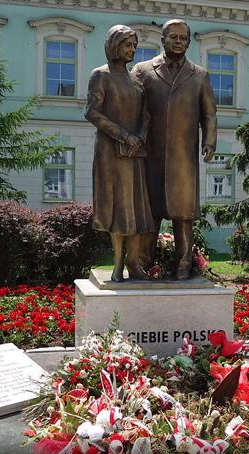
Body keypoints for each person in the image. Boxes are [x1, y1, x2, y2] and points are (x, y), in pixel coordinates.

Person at [132, 19, 217, 280]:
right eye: (173, 37)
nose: (178, 41)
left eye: (183, 38)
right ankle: (143, 265)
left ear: (189, 42)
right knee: (150, 215)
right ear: (163, 39)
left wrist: (209, 141)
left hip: (183, 157)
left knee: (183, 217)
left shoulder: (199, 75)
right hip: (150, 155)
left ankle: (183, 266)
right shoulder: (143, 70)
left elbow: (209, 113)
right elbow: (130, 106)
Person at [85, 25, 154, 282]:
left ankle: (134, 264)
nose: (132, 50)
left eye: (134, 45)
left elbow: (146, 114)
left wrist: (141, 137)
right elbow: (92, 112)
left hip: (135, 153)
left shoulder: (137, 80)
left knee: (136, 209)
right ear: (115, 45)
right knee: (117, 209)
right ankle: (116, 266)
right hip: (111, 152)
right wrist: (124, 135)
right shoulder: (100, 76)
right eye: (128, 44)